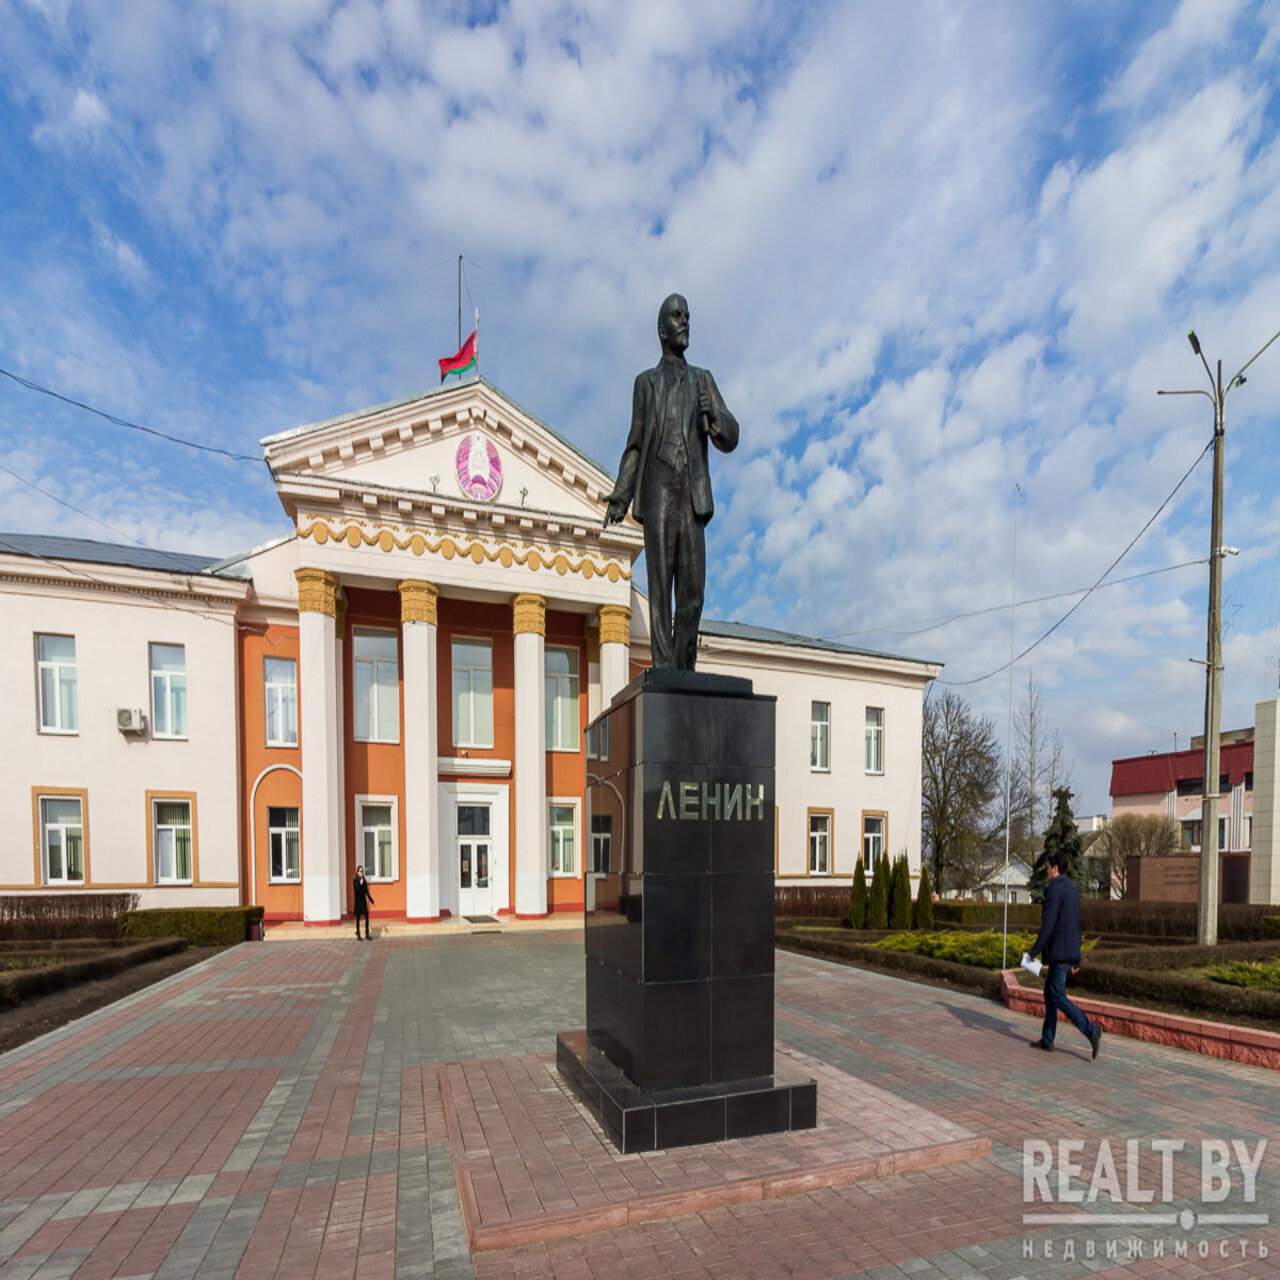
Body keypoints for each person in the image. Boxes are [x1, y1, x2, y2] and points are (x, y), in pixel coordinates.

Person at [603, 293, 738, 670]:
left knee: (692, 592)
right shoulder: (645, 384)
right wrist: (621, 495)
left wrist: (717, 419)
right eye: (677, 317)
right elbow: (634, 444)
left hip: (692, 494)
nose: (685, 322)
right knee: (661, 589)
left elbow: (731, 435)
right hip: (659, 486)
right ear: (662, 330)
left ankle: (684, 670)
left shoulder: (703, 380)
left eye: (688, 316)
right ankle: (665, 673)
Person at [1028, 849, 1101, 1057]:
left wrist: (1034, 951)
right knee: (1049, 994)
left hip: (1059, 954)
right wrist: (1076, 958)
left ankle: (1092, 1031)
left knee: (1058, 996)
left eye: (1048, 867)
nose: (1047, 871)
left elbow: (1048, 925)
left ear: (1055, 868)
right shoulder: (1071, 890)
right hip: (1066, 952)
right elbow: (1076, 926)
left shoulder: (1054, 890)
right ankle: (1048, 1039)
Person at [353, 865, 374, 940]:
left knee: (367, 918)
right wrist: (359, 884)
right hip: (358, 902)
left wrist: (371, 900)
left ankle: (367, 934)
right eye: (360, 871)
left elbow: (366, 892)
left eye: (363, 871)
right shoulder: (355, 880)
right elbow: (356, 892)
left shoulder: (364, 880)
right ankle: (358, 934)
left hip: (363, 902)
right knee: (358, 918)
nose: (362, 873)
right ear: (357, 872)